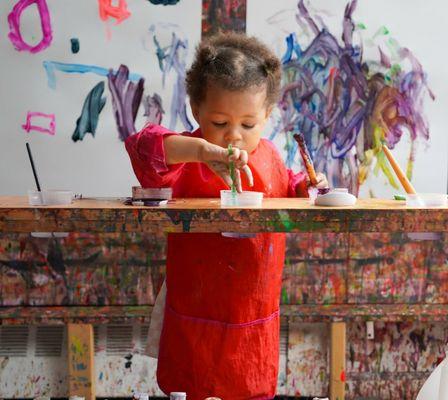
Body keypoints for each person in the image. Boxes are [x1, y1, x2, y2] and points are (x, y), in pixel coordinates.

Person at [125, 32, 328, 400]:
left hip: (253, 319)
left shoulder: (269, 157)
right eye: (219, 123)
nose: (233, 137)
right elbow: (143, 147)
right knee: (189, 389)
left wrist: (309, 188)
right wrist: (202, 151)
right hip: (195, 313)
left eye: (248, 125)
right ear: (196, 110)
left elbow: (293, 185)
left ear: (267, 114)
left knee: (249, 388)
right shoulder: (187, 158)